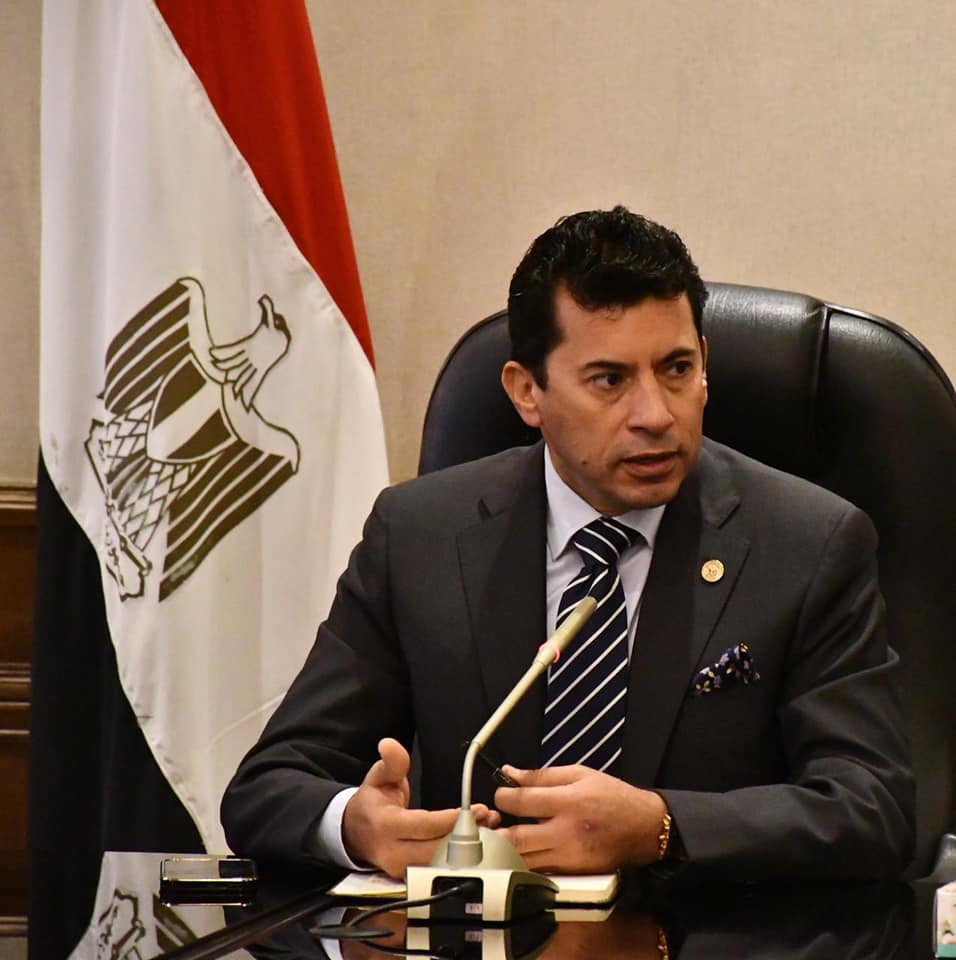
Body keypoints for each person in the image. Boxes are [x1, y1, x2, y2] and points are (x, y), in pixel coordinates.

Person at [221, 207, 914, 881]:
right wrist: (357, 825)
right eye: (610, 380)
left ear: (705, 363)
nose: (655, 414)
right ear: (527, 392)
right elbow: (269, 786)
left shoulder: (808, 544)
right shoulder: (419, 537)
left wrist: (661, 827)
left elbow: (873, 807)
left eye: (677, 369)